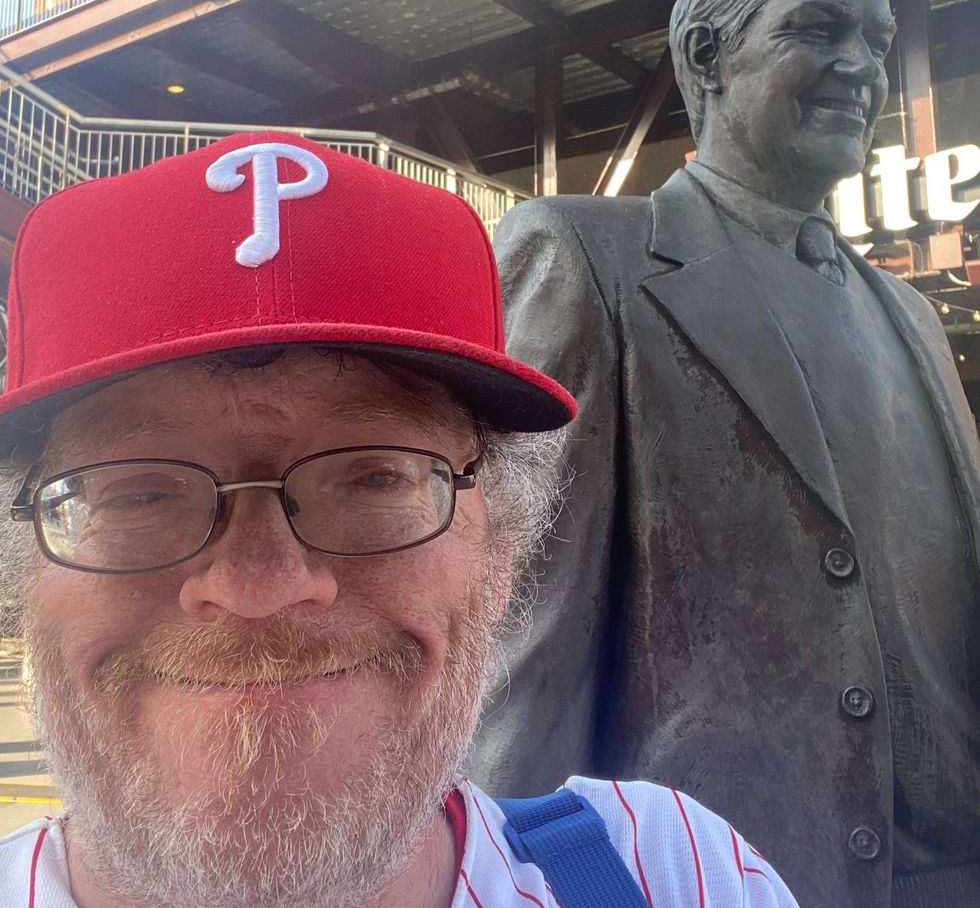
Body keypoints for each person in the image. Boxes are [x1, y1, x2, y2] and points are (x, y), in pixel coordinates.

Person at [0, 133, 797, 907]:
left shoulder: (673, 875)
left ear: (500, 557)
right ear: (21, 577)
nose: (258, 588)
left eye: (375, 481)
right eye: (138, 496)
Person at [467, 0, 980, 907]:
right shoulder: (585, 257)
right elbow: (522, 633)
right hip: (717, 877)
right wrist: (507, 879)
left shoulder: (913, 317)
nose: (859, 67)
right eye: (817, 30)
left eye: (875, 41)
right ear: (706, 56)